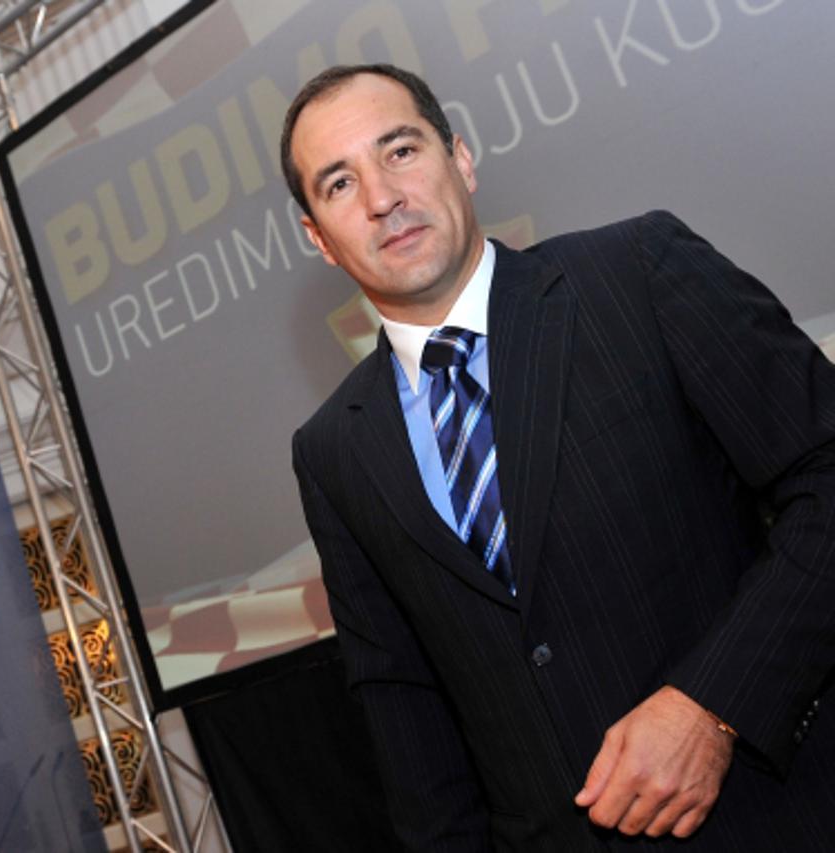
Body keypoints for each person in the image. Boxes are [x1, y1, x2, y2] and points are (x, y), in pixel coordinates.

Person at [285, 63, 835, 851]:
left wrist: (714, 706)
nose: (382, 197)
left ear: (461, 158)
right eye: (339, 183)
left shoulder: (637, 273)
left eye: (400, 150)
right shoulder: (332, 450)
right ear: (319, 238)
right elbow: (405, 710)